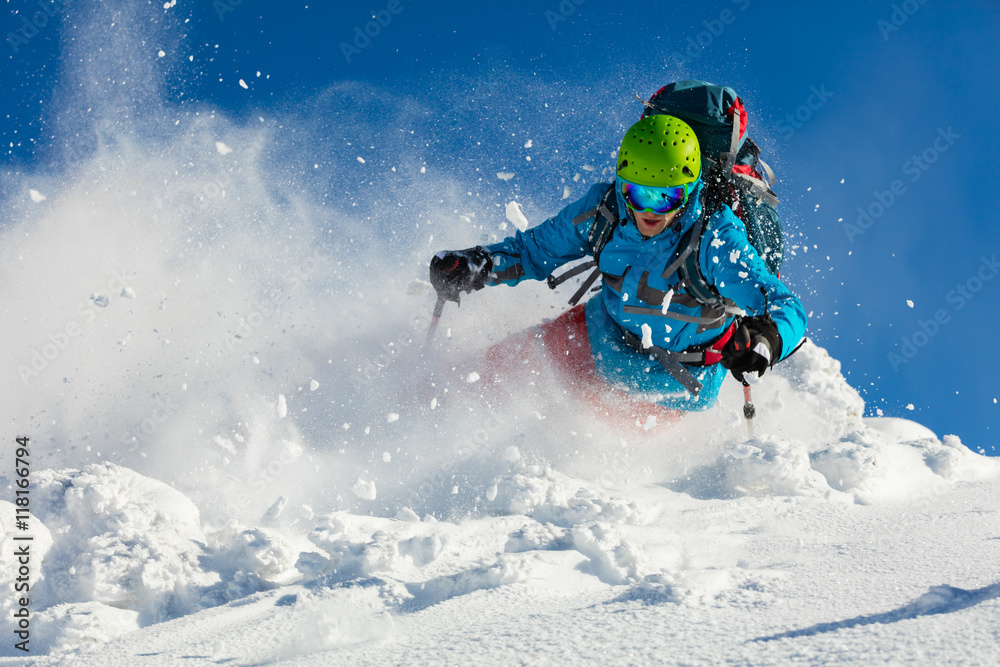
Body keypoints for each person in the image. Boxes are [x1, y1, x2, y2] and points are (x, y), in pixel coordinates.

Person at [429, 113, 807, 422]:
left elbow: (785, 305)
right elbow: (533, 251)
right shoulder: (604, 210)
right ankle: (425, 403)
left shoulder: (715, 236)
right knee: (487, 378)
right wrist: (479, 265)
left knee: (567, 449)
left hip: (672, 386)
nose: (647, 210)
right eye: (638, 192)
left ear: (691, 188)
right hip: (595, 334)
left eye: (666, 197)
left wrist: (767, 339)